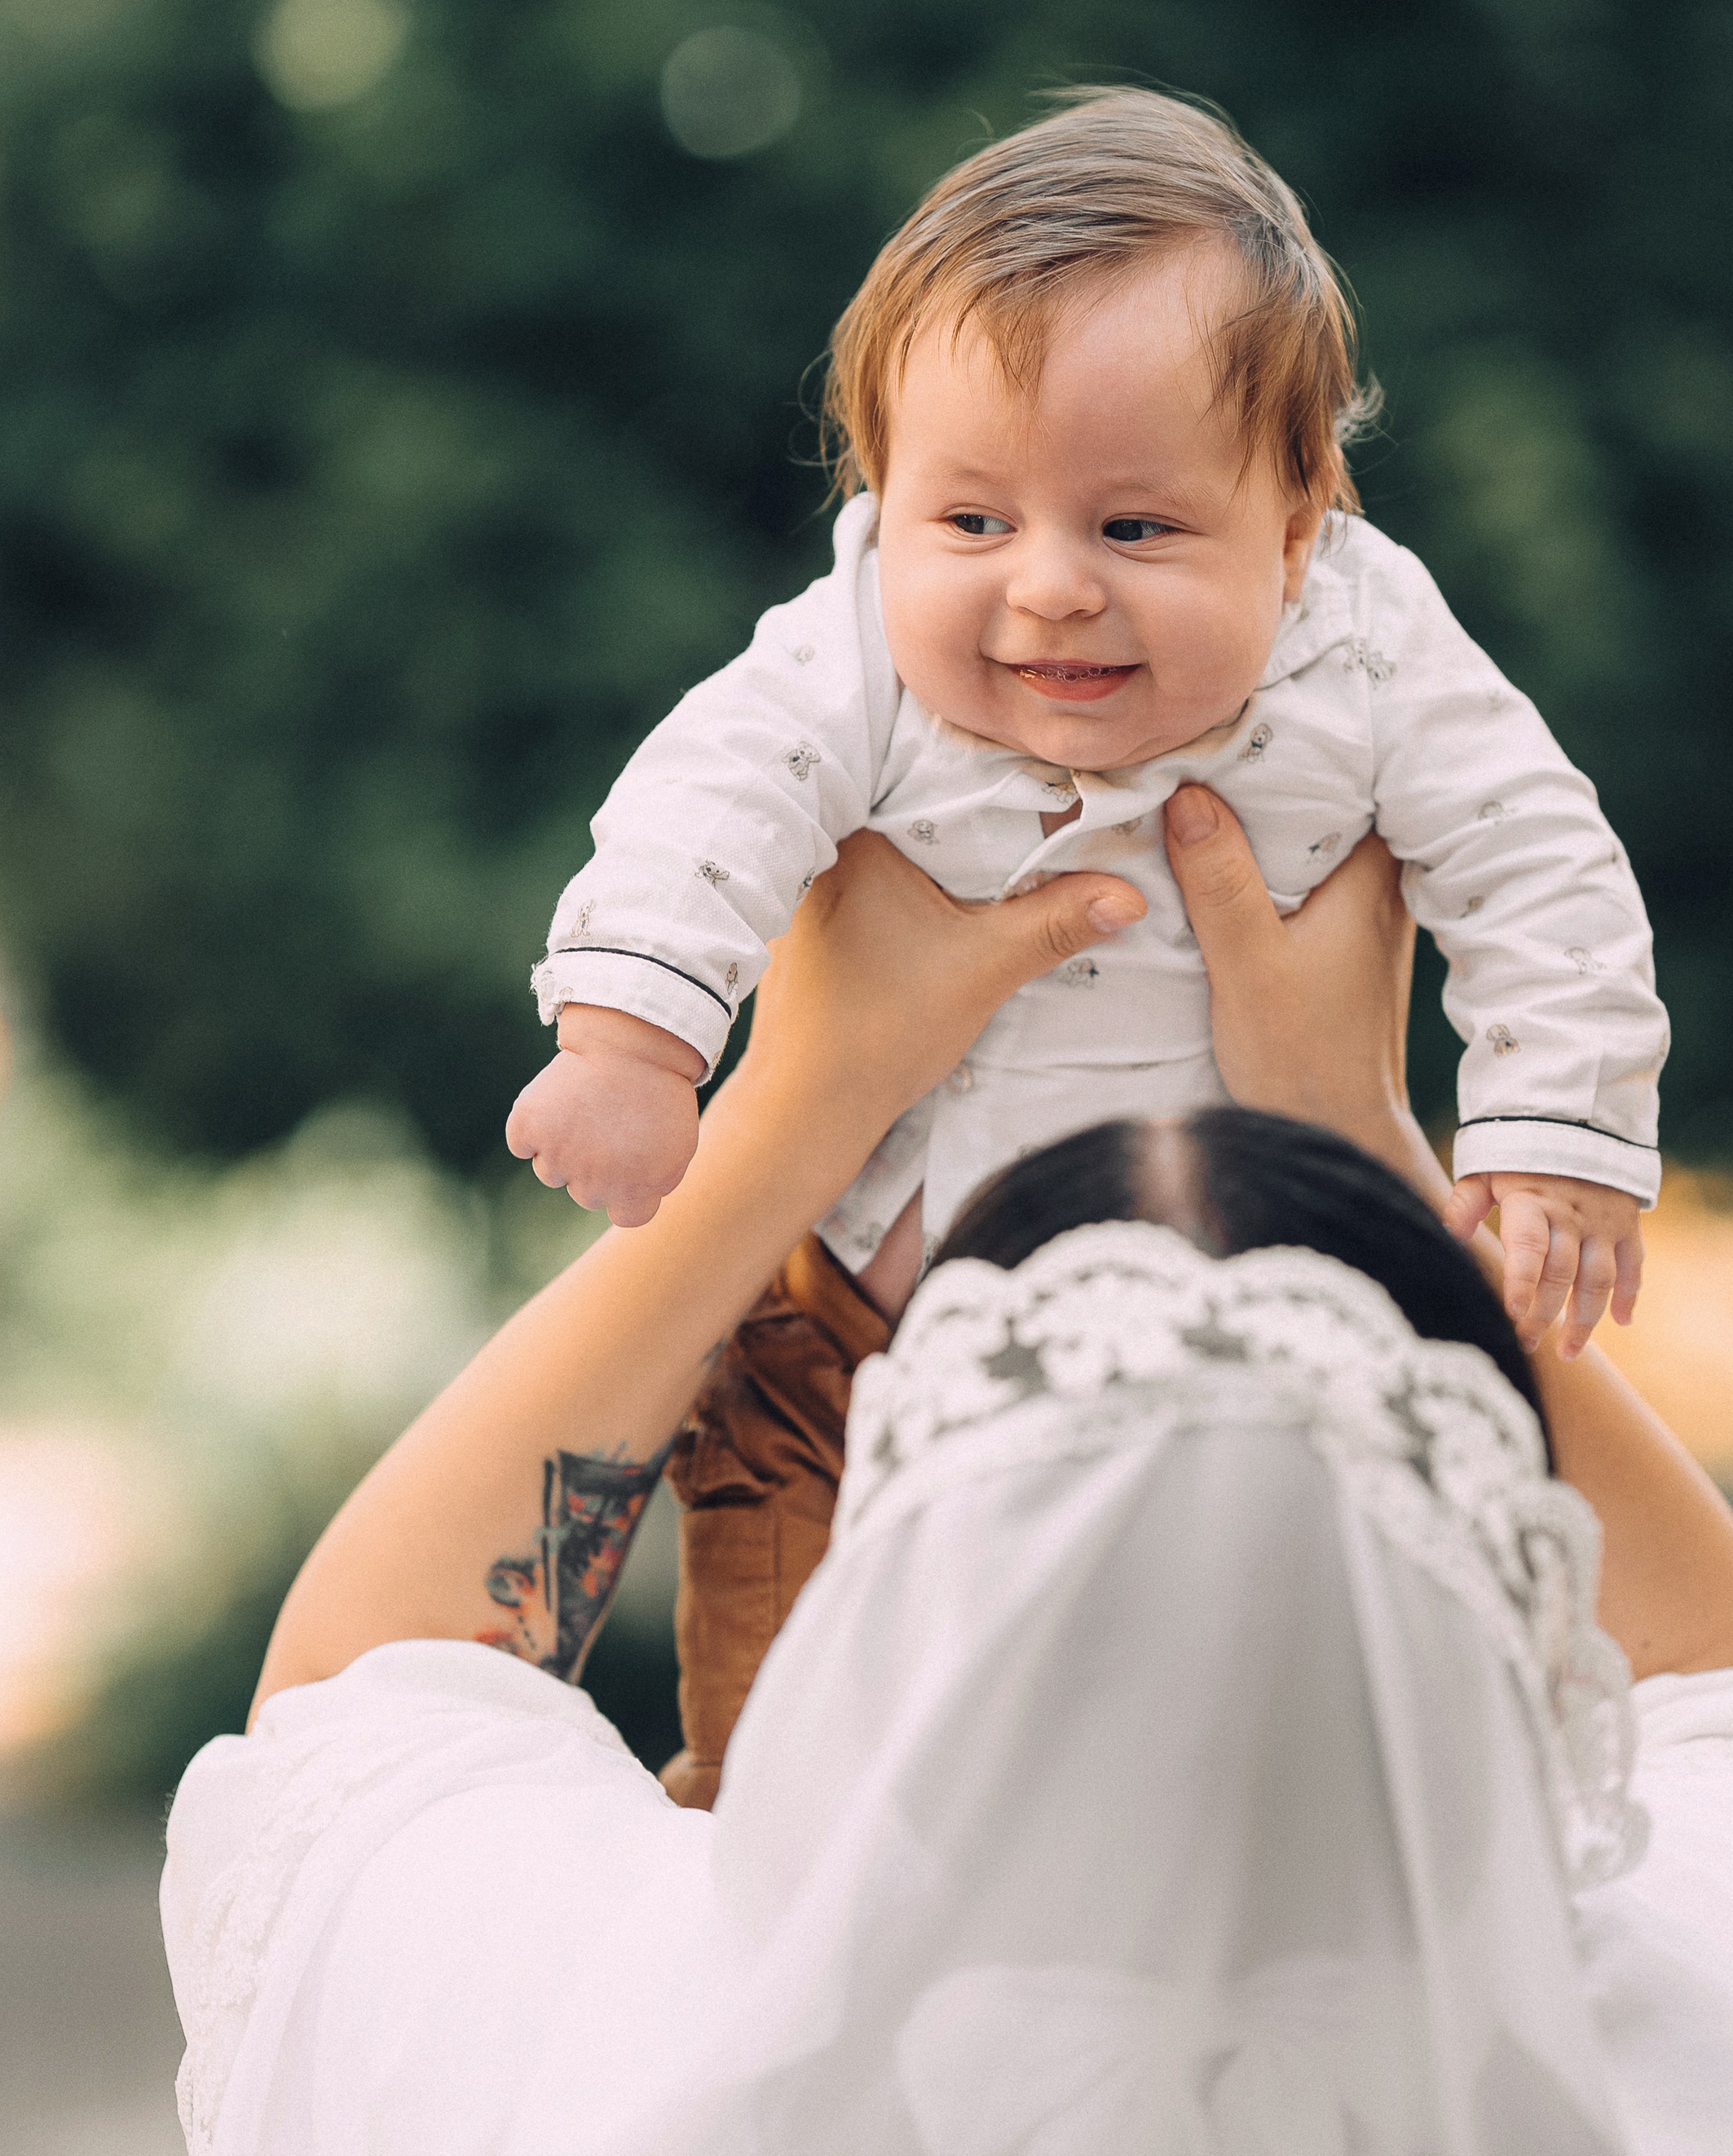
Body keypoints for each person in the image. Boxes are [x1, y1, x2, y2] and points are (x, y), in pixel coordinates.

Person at [161, 805, 1733, 2156]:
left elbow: (364, 1696)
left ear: (901, 1583)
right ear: (1482, 1558)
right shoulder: (1695, 2131)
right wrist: (1354, 1139)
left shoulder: (582, 2079)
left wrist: (794, 1112)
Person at [508, 86, 1669, 1799]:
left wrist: (1552, 1136)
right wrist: (632, 1036)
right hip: (858, 1319)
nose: (1046, 587)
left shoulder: (1368, 652)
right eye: (969, 522)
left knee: (1247, 1689)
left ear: (1292, 532)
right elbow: (714, 794)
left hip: (1231, 1318)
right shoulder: (848, 650)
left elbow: (1535, 860)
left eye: (1133, 528)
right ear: (882, 502)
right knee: (783, 1661)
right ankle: (764, 1841)